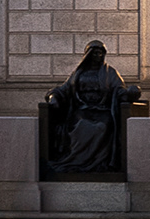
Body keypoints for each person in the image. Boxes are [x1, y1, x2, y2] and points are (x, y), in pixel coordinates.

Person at [44, 40, 136, 178]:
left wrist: (130, 93)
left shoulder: (110, 72)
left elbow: (119, 90)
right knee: (80, 125)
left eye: (100, 53)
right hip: (82, 110)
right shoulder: (78, 74)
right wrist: (53, 97)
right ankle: (76, 161)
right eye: (95, 53)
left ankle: (97, 163)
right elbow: (63, 90)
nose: (98, 56)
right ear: (88, 55)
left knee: (102, 126)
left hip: (102, 111)